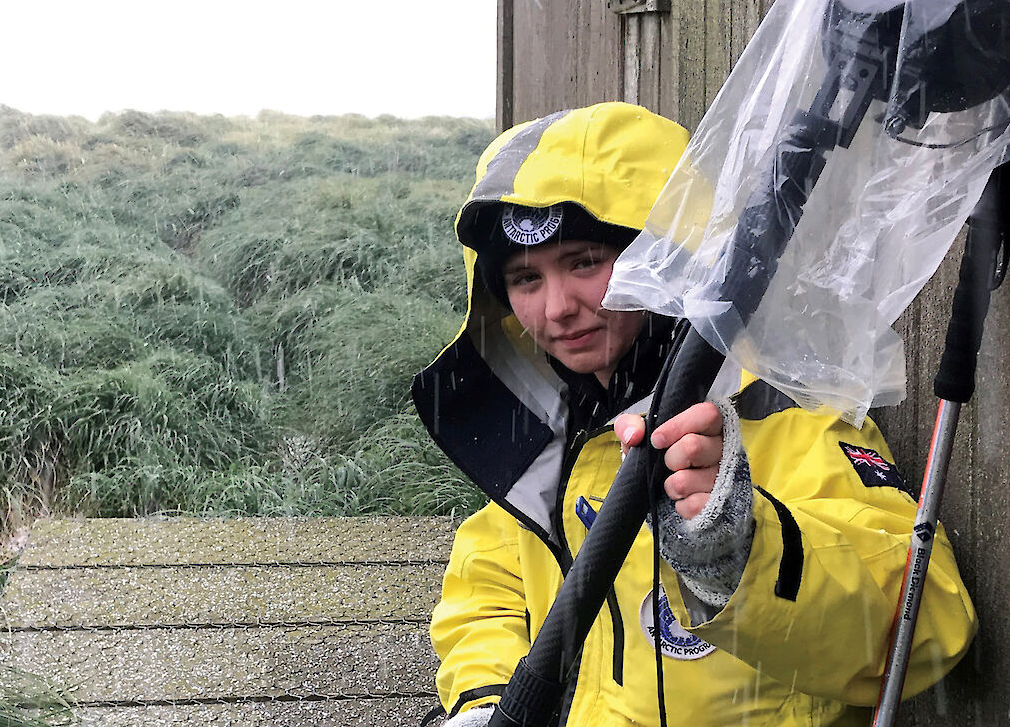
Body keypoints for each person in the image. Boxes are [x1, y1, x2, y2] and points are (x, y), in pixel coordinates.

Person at [410, 102, 977, 727]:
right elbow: (490, 583)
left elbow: (927, 621)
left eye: (584, 263)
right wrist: (485, 702)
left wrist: (746, 547)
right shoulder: (555, 436)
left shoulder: (785, 415)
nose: (557, 308)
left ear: (665, 258)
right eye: (524, 279)